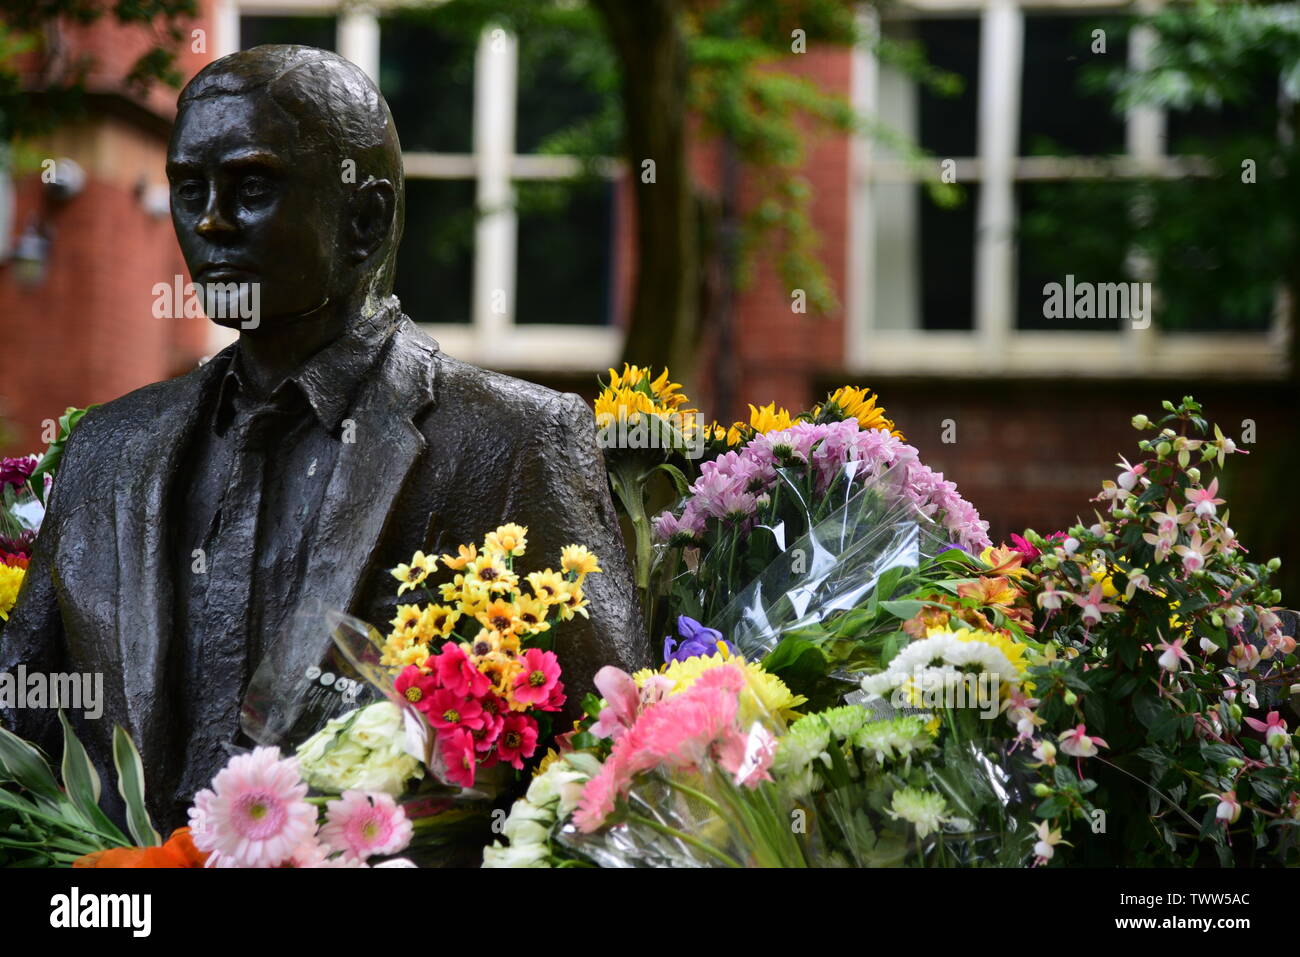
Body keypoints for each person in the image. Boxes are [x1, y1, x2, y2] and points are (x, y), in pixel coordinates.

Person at [0, 45, 647, 832]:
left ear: (364, 218)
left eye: (254, 186)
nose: (209, 219)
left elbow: (619, 774)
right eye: (189, 187)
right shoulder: (109, 449)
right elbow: (18, 729)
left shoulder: (513, 442)